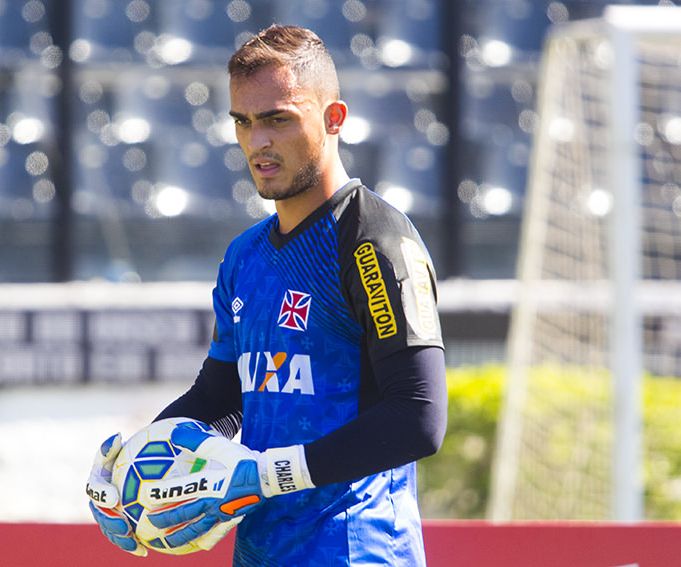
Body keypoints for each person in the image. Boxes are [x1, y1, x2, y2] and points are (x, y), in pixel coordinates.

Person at [88, 25, 447, 567]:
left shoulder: (373, 240)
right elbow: (220, 397)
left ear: (334, 119)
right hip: (261, 553)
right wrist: (133, 464)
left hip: (358, 551)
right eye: (243, 122)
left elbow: (418, 417)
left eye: (278, 118)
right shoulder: (244, 257)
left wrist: (263, 474)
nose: (257, 142)